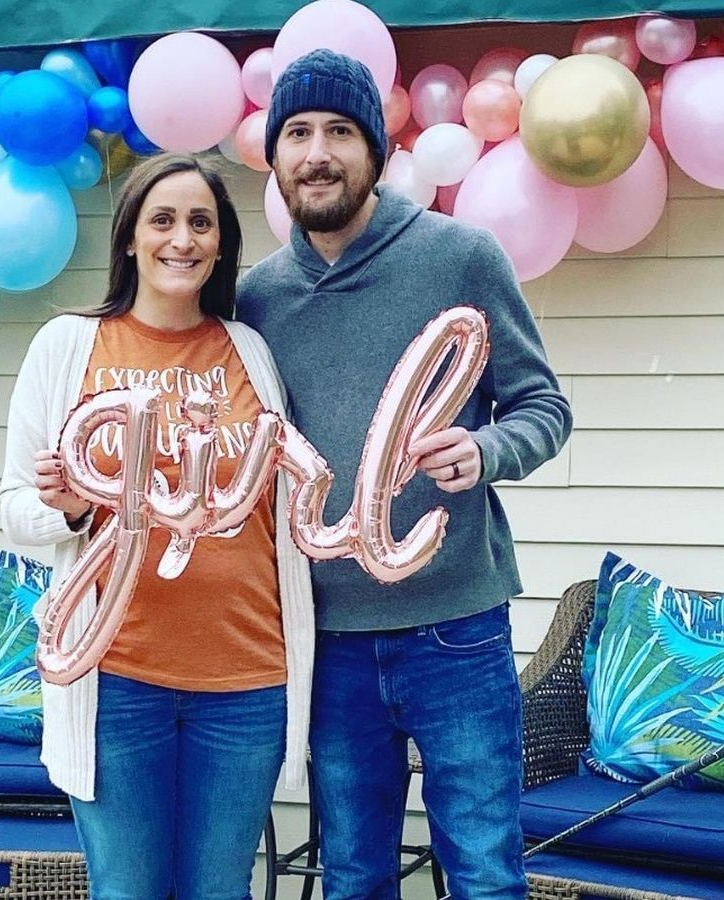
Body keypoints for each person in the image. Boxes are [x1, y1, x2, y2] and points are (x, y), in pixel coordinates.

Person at [236, 50, 573, 900]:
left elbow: (543, 407)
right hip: (328, 640)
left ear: (377, 152)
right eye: (298, 133)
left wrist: (486, 452)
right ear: (275, 156)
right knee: (353, 876)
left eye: (340, 132)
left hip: (457, 628)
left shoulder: (460, 257)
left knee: (485, 872)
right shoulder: (256, 300)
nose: (318, 153)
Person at [0, 153, 315, 899]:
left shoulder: (251, 351)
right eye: (162, 220)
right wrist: (69, 507)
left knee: (219, 891)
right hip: (117, 676)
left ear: (222, 244)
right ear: (131, 238)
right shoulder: (67, 346)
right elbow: (14, 507)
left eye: (201, 222)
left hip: (247, 676)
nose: (182, 239)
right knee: (128, 890)